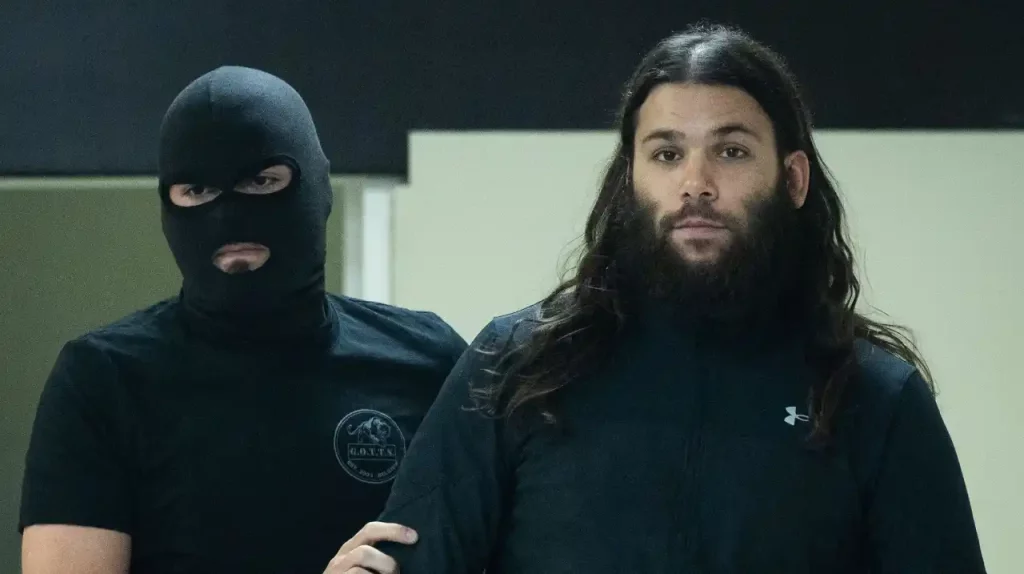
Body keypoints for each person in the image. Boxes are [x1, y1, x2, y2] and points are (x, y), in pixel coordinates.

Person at [365, 25, 988, 573]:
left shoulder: (873, 398)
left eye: (731, 151)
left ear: (793, 179)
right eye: (667, 154)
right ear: (630, 180)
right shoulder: (518, 368)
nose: (696, 184)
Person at [19, 66, 466, 573]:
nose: (229, 216)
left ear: (316, 188)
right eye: (197, 191)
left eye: (261, 181)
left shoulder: (429, 360)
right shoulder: (104, 380)